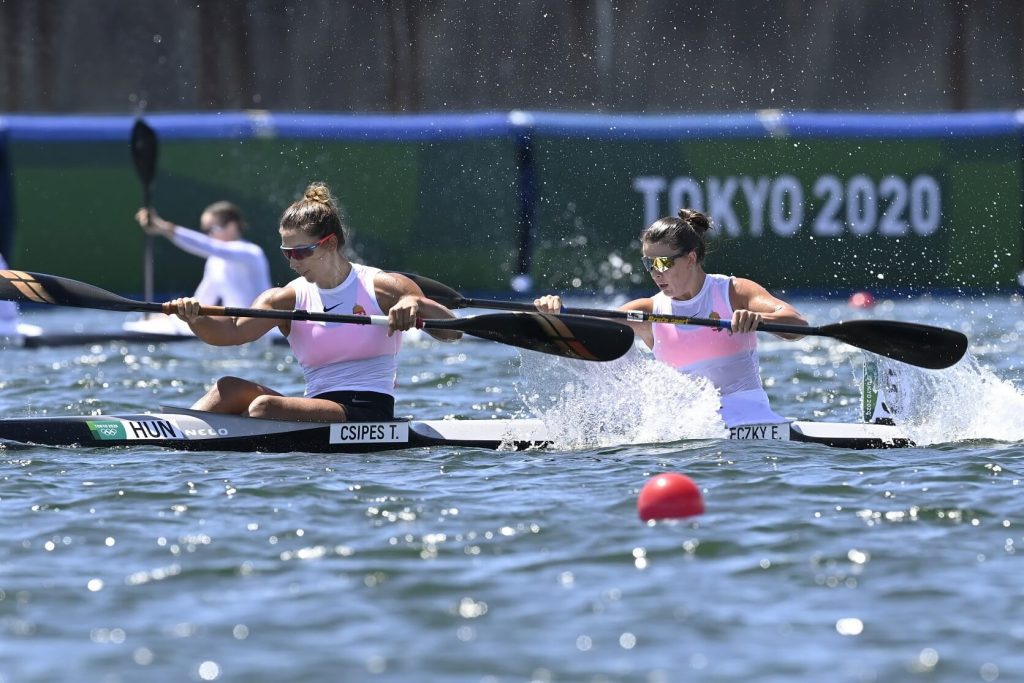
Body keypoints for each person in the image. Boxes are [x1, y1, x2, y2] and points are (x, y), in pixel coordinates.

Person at [164, 181, 459, 422]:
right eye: (287, 253)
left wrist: (415, 305)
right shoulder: (286, 299)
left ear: (329, 244)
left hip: (368, 410)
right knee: (227, 389)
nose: (294, 262)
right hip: (317, 408)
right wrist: (195, 318)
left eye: (301, 251)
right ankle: (173, 436)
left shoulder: (381, 286)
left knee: (264, 408)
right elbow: (229, 333)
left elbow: (452, 331)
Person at [535, 208, 807, 427]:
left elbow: (797, 324)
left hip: (751, 419)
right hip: (686, 428)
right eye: (648, 263)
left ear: (690, 258)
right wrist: (555, 315)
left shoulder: (733, 292)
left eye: (663, 262)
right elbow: (584, 332)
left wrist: (758, 319)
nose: (655, 272)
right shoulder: (647, 311)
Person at [135, 201, 271, 308]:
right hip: (237, 329)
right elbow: (203, 302)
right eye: (205, 231)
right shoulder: (215, 262)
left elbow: (209, 246)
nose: (207, 236)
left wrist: (164, 228)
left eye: (211, 229)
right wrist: (171, 317)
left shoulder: (251, 252)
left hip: (265, 329)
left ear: (232, 226)